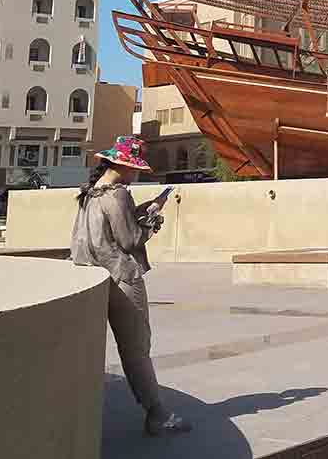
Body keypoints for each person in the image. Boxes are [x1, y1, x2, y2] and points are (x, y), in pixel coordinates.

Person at [71, 135, 192, 436]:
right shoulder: (119, 193)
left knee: (127, 348)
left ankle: (155, 410)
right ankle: (157, 413)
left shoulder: (92, 192)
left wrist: (142, 210)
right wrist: (153, 217)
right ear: (124, 166)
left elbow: (108, 231)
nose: (137, 174)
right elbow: (130, 240)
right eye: (135, 168)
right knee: (137, 348)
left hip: (95, 274)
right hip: (122, 278)